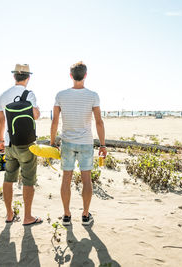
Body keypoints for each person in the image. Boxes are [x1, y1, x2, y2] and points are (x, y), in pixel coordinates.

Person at [50, 61, 107, 226]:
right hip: (85, 143)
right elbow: (99, 122)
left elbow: (54, 122)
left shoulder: (61, 95)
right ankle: (85, 215)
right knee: (87, 180)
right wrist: (102, 145)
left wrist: (52, 142)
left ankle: (66, 215)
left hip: (67, 142)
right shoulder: (93, 96)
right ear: (86, 75)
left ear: (70, 76)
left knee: (66, 180)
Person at [0, 64, 43, 226]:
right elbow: (35, 116)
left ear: (14, 77)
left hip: (9, 143)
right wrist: (37, 110)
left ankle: (9, 214)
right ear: (28, 78)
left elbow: (1, 121)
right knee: (28, 180)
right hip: (27, 144)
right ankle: (27, 216)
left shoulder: (3, 96)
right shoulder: (29, 94)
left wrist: (1, 141)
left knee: (8, 178)